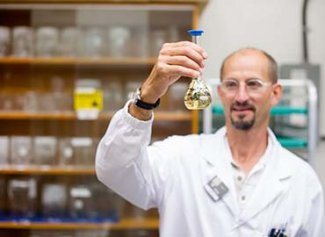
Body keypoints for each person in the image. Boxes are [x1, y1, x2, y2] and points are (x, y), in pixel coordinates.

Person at [96, 41, 325, 236]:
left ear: (275, 94)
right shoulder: (180, 157)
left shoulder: (301, 180)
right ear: (221, 92)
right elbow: (115, 169)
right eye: (231, 85)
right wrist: (147, 97)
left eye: (253, 84)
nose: (241, 96)